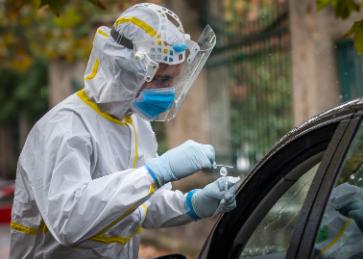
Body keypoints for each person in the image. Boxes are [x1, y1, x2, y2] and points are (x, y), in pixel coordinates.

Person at [10, 3, 237, 258]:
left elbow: (140, 204)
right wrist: (156, 173)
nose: (169, 91)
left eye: (174, 79)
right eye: (163, 79)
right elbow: (69, 220)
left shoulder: (135, 124)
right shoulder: (65, 128)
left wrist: (191, 204)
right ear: (126, 72)